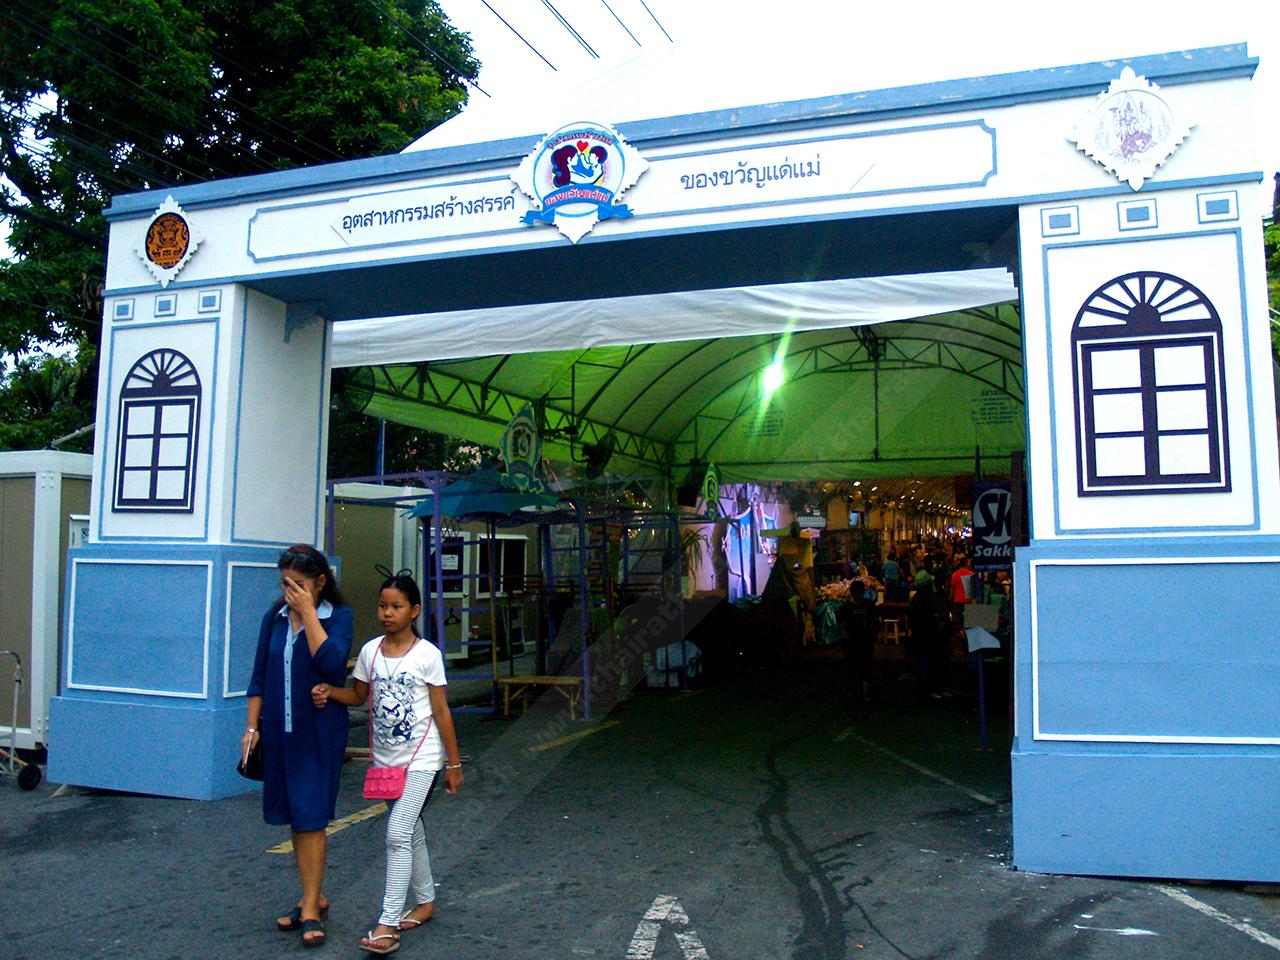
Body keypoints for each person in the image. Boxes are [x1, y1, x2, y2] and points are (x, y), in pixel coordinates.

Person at [312, 571, 463, 957]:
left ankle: (388, 923)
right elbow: (359, 695)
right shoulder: (371, 652)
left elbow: (441, 711)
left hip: (422, 759)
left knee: (397, 833)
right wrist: (330, 692)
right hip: (386, 762)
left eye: (396, 606)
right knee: (412, 832)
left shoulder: (427, 655)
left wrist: (453, 763)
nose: (387, 613)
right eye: (382, 606)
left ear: (414, 611)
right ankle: (425, 902)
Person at [244, 545, 353, 948]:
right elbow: (259, 676)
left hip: (318, 732)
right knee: (296, 815)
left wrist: (308, 614)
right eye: (285, 583)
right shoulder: (273, 619)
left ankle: (309, 908)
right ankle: (313, 895)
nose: (290, 591)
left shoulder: (338, 617)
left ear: (320, 582)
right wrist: (251, 727)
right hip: (279, 731)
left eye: (299, 584)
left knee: (312, 816)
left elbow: (331, 662)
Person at [906, 568, 940, 699]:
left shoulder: (916, 599)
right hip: (924, 636)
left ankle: (922, 689)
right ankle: (924, 691)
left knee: (921, 664)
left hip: (919, 635)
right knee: (924, 664)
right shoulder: (924, 600)